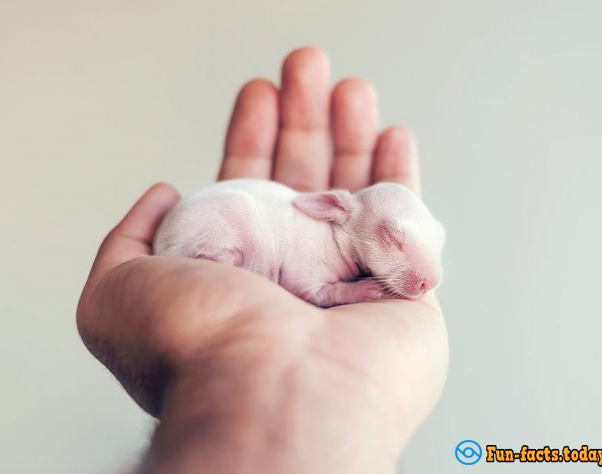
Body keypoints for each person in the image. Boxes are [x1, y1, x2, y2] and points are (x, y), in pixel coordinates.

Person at [77, 47, 448, 474]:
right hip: (212, 228)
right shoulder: (321, 238)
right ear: (335, 208)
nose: (427, 280)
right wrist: (346, 292)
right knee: (236, 213)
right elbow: (314, 288)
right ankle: (213, 256)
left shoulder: (341, 237)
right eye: (393, 239)